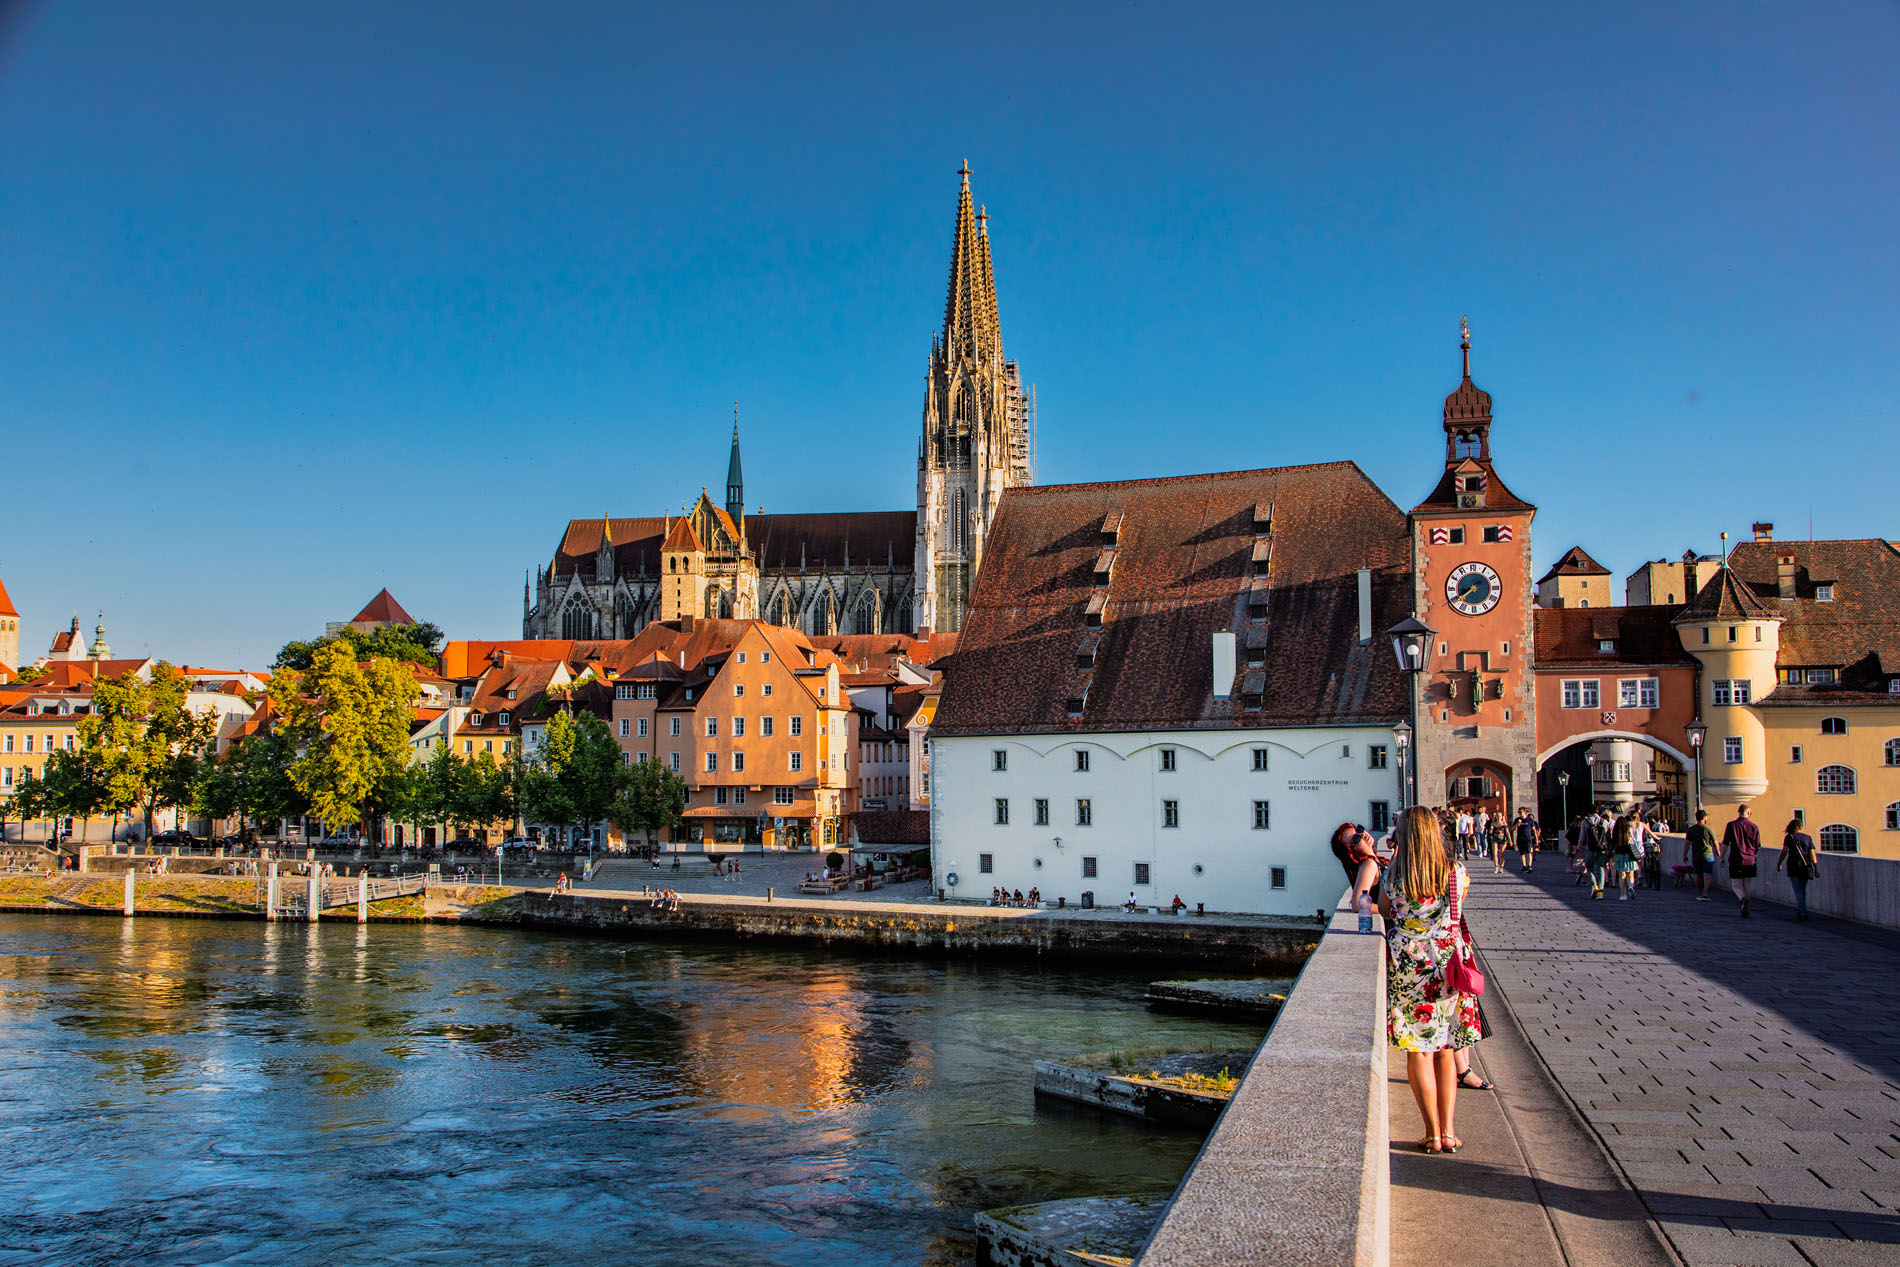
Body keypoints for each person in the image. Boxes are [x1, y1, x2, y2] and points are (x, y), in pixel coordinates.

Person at [1379, 806, 1480, 1154]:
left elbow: (1384, 910)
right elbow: (1457, 907)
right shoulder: (1455, 871)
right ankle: (1449, 1132)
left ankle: (1431, 1133)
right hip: (1448, 963)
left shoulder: (1394, 875)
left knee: (1419, 1050)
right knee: (1446, 1049)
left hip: (1409, 964)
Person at [1721, 804, 1761, 917]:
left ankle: (1743, 900)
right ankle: (1747, 904)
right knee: (1747, 883)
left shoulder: (1731, 825)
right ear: (1747, 813)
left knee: (1735, 884)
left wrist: (1722, 856)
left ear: (1739, 812)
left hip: (1736, 859)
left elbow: (1725, 843)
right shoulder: (1754, 826)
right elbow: (1758, 845)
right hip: (1750, 860)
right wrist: (1753, 855)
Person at [1777, 819, 1818, 921]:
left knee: (1798, 890)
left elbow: (1784, 852)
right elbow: (1812, 854)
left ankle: (1803, 912)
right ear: (1800, 827)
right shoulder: (1808, 838)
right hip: (1806, 866)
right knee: (1802, 890)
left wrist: (1779, 863)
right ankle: (1801, 910)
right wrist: (1816, 868)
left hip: (1793, 865)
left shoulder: (1789, 837)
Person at [1686, 809, 1718, 901]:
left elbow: (1687, 844)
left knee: (1698, 875)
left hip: (1696, 856)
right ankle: (1705, 893)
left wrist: (1684, 855)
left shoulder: (1691, 830)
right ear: (1704, 818)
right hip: (1708, 855)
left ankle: (1700, 894)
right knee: (1707, 874)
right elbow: (1715, 843)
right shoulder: (1708, 829)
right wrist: (1718, 852)